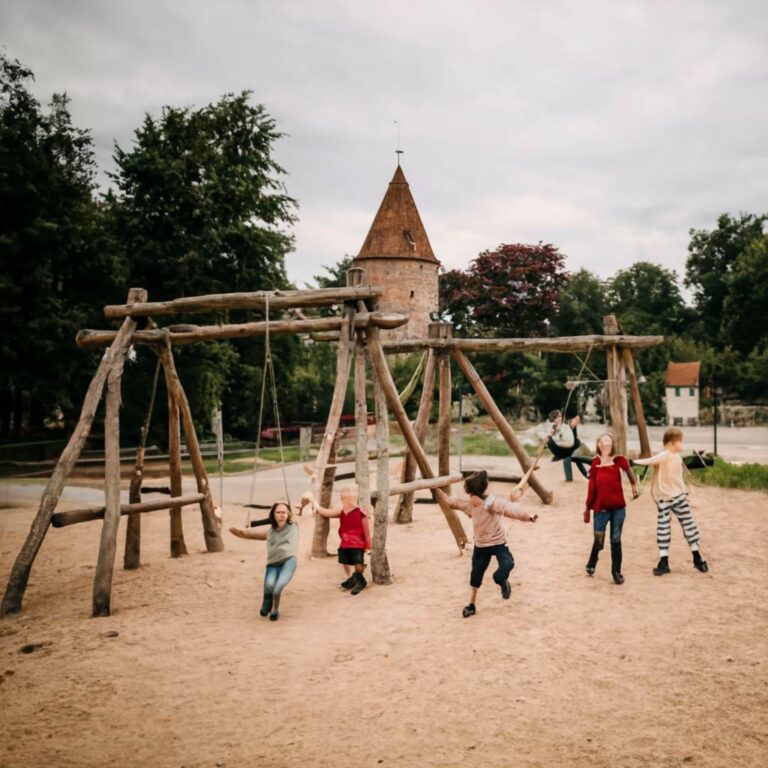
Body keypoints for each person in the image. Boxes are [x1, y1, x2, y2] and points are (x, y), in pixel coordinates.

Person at [436, 469, 538, 618]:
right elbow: (451, 503)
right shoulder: (470, 505)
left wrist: (528, 517)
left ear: (475, 493)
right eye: (469, 495)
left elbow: (510, 509)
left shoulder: (491, 503)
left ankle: (502, 580)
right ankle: (472, 605)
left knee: (507, 564)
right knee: (475, 577)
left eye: (471, 495)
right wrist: (436, 489)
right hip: (481, 547)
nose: (470, 498)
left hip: (498, 544)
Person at [632, 427, 709, 576]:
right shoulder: (665, 455)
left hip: (679, 497)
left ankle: (697, 558)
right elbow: (650, 461)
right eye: (680, 441)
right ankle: (664, 561)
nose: (681, 445)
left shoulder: (677, 456)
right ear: (672, 443)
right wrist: (633, 461)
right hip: (665, 499)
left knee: (689, 525)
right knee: (664, 528)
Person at [229, 500, 298, 621]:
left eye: (284, 512)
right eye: (278, 512)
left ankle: (275, 610)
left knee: (277, 588)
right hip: (272, 564)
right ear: (273, 515)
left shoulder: (294, 526)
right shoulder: (270, 532)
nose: (282, 514)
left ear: (288, 514)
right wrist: (237, 531)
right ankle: (267, 602)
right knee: (269, 586)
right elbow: (250, 534)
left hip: (288, 561)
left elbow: (302, 514)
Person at [583, 432, 638, 584]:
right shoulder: (595, 462)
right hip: (600, 508)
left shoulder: (618, 460)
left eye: (608, 441)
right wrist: (587, 508)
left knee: (615, 539)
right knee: (599, 540)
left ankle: (616, 572)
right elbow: (591, 486)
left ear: (612, 444)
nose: (606, 443)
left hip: (618, 507)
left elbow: (628, 470)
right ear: (598, 444)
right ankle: (592, 561)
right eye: (603, 441)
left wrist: (634, 486)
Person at [312, 486, 372, 595]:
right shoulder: (342, 512)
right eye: (344, 498)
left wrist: (368, 547)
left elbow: (366, 531)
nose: (347, 501)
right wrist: (316, 505)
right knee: (345, 561)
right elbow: (327, 512)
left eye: (350, 497)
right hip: (345, 542)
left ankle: (360, 581)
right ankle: (353, 578)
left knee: (358, 564)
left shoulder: (361, 512)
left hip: (357, 542)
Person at [534, 410, 593, 480]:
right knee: (575, 458)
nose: (560, 418)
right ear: (553, 419)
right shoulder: (552, 428)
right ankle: (590, 466)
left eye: (561, 416)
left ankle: (588, 474)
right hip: (562, 450)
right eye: (558, 417)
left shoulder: (565, 426)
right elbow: (548, 440)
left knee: (576, 458)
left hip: (571, 447)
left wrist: (573, 426)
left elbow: (571, 437)